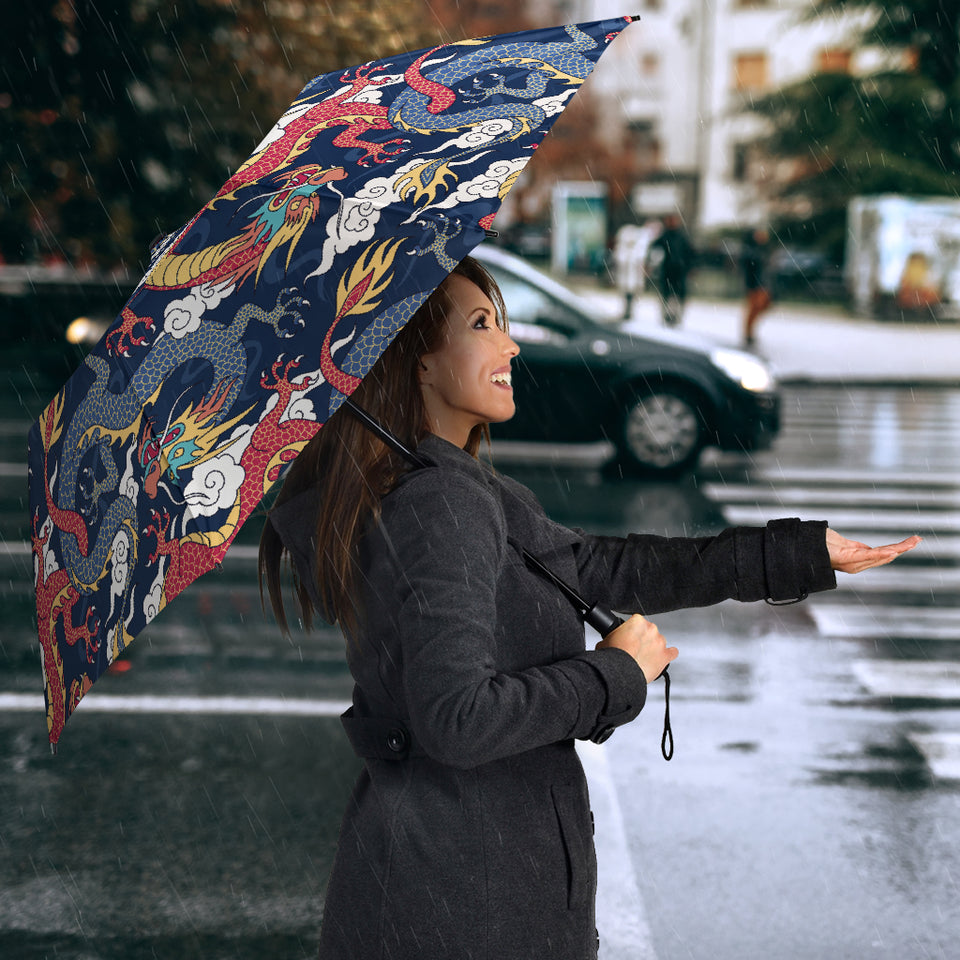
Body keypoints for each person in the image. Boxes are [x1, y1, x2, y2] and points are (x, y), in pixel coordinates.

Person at [259, 256, 919, 960]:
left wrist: (796, 554)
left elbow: (603, 567)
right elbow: (457, 720)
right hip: (466, 903)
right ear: (417, 363)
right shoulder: (439, 504)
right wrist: (613, 673)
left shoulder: (450, 488)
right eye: (482, 325)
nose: (510, 345)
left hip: (452, 883)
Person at [648, 213, 695, 327]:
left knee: (677, 295)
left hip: (679, 271)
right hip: (668, 270)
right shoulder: (665, 236)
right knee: (667, 294)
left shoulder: (681, 237)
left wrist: (690, 267)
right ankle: (667, 315)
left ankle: (675, 316)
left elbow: (690, 253)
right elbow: (654, 249)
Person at [741, 226, 772, 347]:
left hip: (763, 283)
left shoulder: (763, 249)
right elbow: (750, 265)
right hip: (754, 284)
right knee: (754, 308)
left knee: (762, 306)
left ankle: (750, 331)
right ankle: (748, 333)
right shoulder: (750, 250)